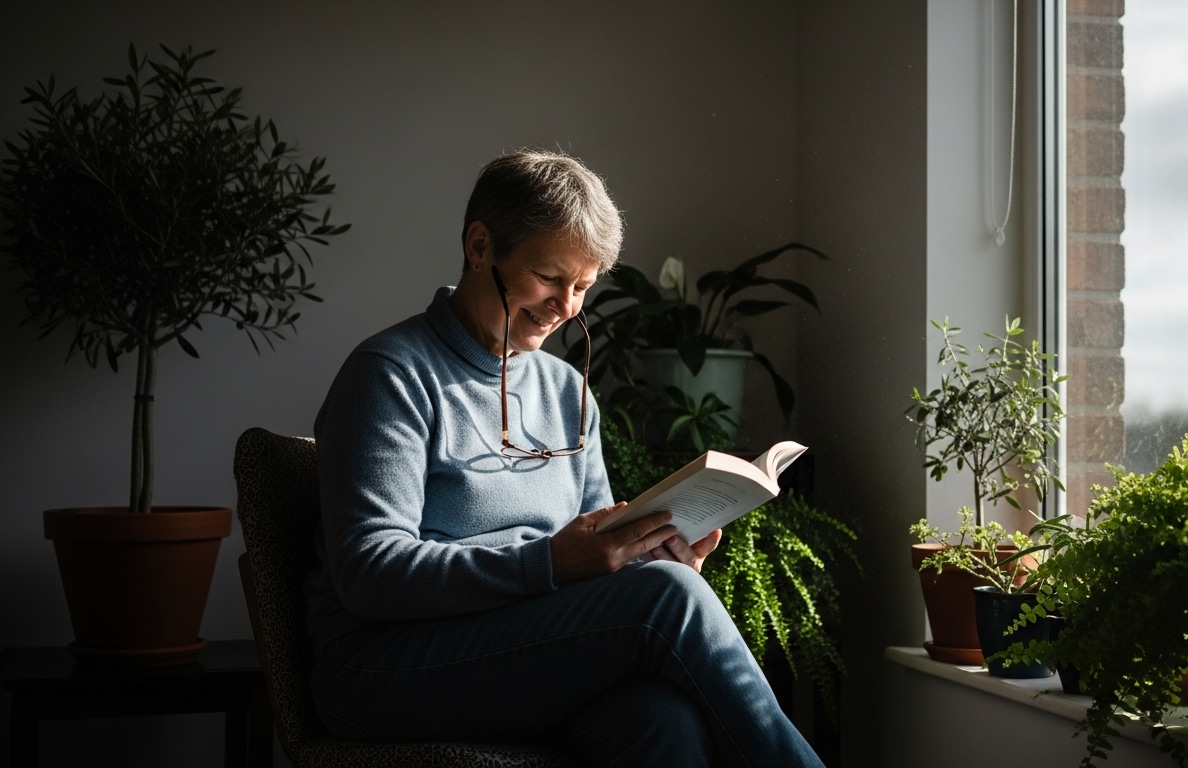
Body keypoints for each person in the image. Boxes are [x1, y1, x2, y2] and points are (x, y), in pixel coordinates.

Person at [305, 149, 824, 768]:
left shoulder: (564, 390)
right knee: (664, 600)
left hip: (526, 643)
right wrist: (549, 563)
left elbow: (594, 550)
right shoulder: (391, 374)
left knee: (663, 722)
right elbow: (371, 572)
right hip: (382, 665)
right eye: (551, 278)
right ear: (479, 246)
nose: (567, 306)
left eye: (582, 287)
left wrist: (649, 552)